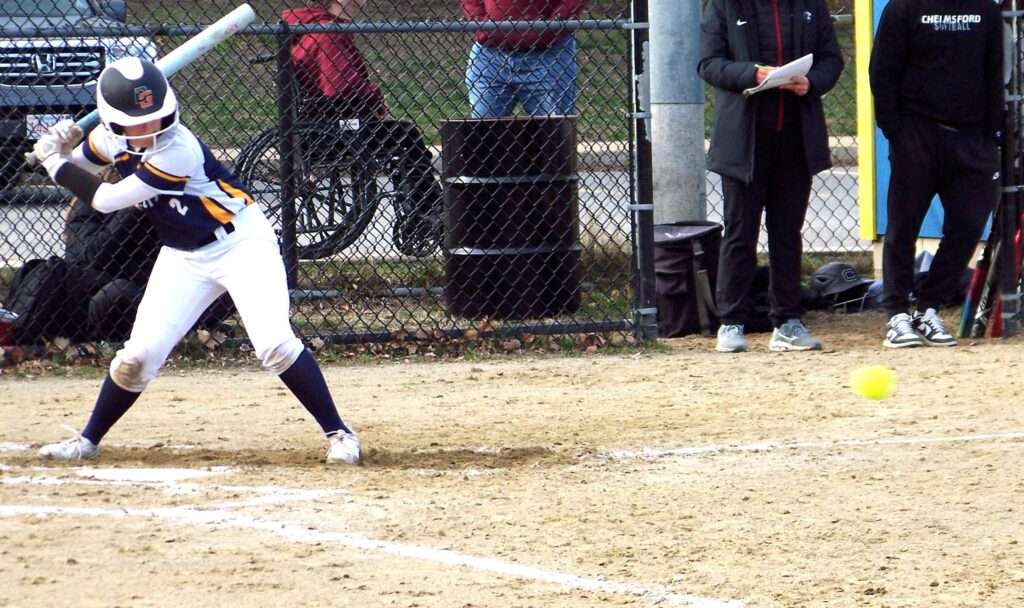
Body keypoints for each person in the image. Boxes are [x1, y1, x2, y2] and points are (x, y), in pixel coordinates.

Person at [31, 57, 361, 465]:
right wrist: (63, 145)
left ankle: (341, 434)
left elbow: (103, 199)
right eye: (136, 122)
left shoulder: (178, 149)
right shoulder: (110, 137)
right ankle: (87, 441)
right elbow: (81, 164)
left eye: (156, 117)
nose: (149, 127)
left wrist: (53, 160)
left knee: (274, 344)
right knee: (136, 358)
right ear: (115, 123)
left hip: (241, 244)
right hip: (183, 256)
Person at [697, 0, 844, 353]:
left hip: (795, 140)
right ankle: (731, 323)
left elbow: (831, 60)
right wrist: (754, 74)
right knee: (740, 232)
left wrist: (811, 83)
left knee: (787, 233)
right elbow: (709, 63)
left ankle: (788, 322)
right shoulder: (725, 5)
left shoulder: (811, 6)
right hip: (744, 143)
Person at [869, 0, 1003, 348]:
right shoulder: (903, 8)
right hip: (916, 134)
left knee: (969, 226)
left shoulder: (985, 9)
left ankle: (928, 308)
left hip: (971, 140)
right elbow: (882, 70)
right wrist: (895, 131)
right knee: (903, 226)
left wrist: (989, 137)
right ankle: (897, 314)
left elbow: (994, 71)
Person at [283, 0, 442, 256]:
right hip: (334, 130)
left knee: (398, 133)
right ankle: (429, 208)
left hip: (322, 124)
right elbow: (343, 88)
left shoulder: (310, 27)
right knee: (405, 134)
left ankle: (422, 206)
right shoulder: (328, 34)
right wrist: (377, 102)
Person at [461, 0, 591, 118]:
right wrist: (483, 26)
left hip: (548, 54)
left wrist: (549, 29)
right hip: (489, 55)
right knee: (484, 134)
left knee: (552, 135)